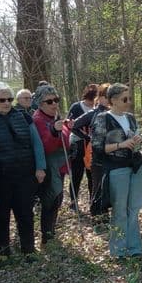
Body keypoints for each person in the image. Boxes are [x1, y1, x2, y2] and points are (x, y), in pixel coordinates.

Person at [0, 82, 46, 261]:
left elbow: (36, 144)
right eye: (2, 99)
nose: (6, 103)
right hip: (0, 177)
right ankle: (3, 252)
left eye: (9, 99)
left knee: (25, 213)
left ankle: (28, 250)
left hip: (25, 174)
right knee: (0, 215)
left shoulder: (24, 117)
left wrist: (40, 167)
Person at [91, 84, 142, 258]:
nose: (128, 102)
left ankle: (134, 247)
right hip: (116, 167)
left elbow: (137, 138)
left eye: (129, 98)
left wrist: (139, 139)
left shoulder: (130, 118)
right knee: (119, 210)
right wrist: (120, 145)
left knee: (134, 208)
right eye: (124, 99)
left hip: (135, 166)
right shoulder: (102, 118)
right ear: (113, 100)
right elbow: (97, 147)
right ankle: (118, 250)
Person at [33, 86, 69, 244]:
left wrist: (66, 129)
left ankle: (51, 232)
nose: (54, 104)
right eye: (49, 101)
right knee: (50, 200)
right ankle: (47, 236)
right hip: (47, 167)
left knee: (57, 199)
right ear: (40, 103)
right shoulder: (38, 120)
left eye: (56, 100)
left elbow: (65, 139)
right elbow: (45, 146)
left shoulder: (54, 117)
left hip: (59, 166)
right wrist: (54, 131)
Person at [71, 83, 109, 218]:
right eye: (106, 96)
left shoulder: (116, 113)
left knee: (108, 185)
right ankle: (97, 216)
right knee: (96, 185)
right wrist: (87, 137)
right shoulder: (93, 113)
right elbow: (73, 125)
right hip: (96, 154)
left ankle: (105, 213)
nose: (108, 99)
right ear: (100, 97)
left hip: (113, 154)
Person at [67, 83, 99, 211]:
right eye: (91, 99)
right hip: (78, 143)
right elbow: (70, 125)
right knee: (76, 173)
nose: (92, 103)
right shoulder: (76, 107)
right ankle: (73, 201)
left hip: (93, 146)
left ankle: (93, 200)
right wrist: (85, 136)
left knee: (92, 174)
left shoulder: (98, 109)